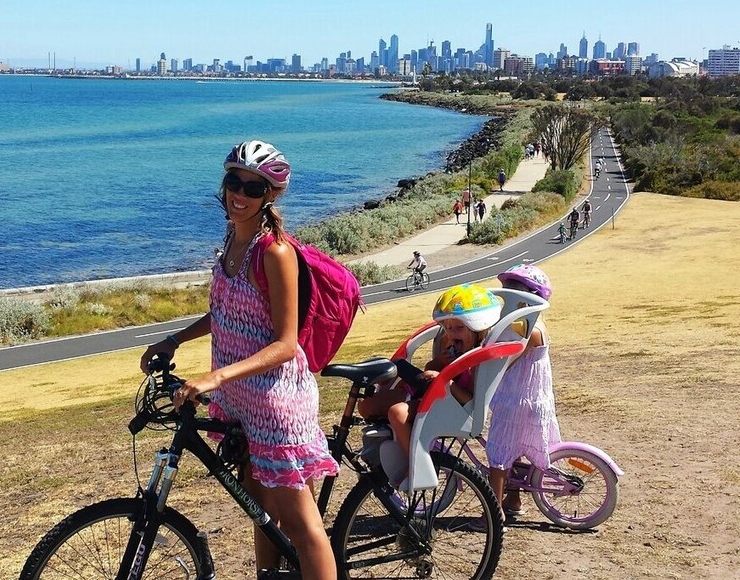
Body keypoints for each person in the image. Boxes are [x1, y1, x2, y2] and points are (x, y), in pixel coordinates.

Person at [140, 140, 338, 580]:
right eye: (234, 182)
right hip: (239, 401)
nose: (240, 194)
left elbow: (287, 344)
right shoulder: (232, 239)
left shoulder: (275, 252)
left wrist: (215, 376)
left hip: (276, 407)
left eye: (253, 187)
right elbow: (228, 313)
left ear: (270, 195)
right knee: (260, 511)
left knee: (304, 528)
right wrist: (173, 339)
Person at [359, 284, 504, 464]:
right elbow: (431, 367)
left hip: (450, 406)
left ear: (478, 330)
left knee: (397, 413)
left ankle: (416, 463)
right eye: (448, 328)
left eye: (459, 328)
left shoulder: (477, 362)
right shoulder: (452, 347)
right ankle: (401, 440)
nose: (451, 334)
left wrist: (446, 382)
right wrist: (440, 363)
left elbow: (469, 400)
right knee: (365, 407)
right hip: (429, 395)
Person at [486, 264, 562, 522]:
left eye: (513, 291)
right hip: (530, 399)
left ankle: (494, 515)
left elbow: (506, 360)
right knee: (515, 450)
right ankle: (514, 499)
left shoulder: (527, 330)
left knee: (498, 457)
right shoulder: (535, 325)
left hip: (516, 399)